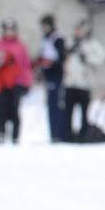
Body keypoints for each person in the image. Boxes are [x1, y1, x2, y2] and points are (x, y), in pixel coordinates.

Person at [0, 19, 33, 144]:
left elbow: (26, 66)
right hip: (0, 84)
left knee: (14, 109)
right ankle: (0, 132)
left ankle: (15, 136)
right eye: (6, 30)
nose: (9, 32)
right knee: (0, 109)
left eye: (11, 30)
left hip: (16, 83)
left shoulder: (20, 47)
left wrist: (27, 83)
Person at [62, 19, 105, 140]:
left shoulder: (92, 44)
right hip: (70, 82)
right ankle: (67, 135)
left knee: (84, 112)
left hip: (85, 83)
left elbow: (101, 58)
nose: (78, 32)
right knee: (68, 112)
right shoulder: (70, 42)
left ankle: (84, 135)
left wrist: (87, 58)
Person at [35, 14, 69, 142]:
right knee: (51, 104)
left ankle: (58, 133)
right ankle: (53, 132)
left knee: (57, 104)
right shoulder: (46, 38)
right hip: (49, 75)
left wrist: (51, 64)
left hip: (56, 75)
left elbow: (61, 57)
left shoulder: (57, 38)